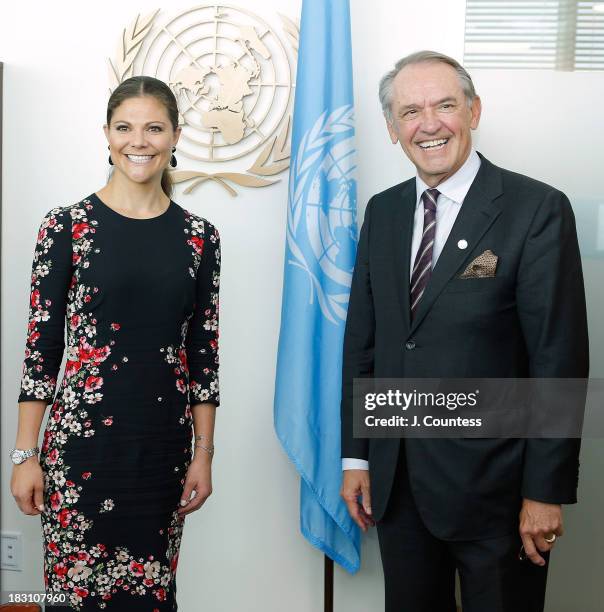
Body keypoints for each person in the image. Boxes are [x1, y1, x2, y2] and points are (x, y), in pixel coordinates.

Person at [340, 51, 588, 612]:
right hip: (398, 487)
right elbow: (366, 343)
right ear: (392, 128)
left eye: (444, 105)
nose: (428, 124)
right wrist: (356, 458)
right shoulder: (383, 211)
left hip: (499, 496)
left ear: (473, 111)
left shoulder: (536, 209)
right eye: (410, 111)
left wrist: (545, 491)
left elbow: (558, 358)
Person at [10, 76, 220, 611]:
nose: (139, 141)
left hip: (161, 454)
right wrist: (24, 454)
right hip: (80, 452)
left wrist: (204, 454)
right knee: (69, 598)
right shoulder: (66, 227)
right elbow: (41, 351)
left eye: (154, 127)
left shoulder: (200, 236)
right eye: (125, 128)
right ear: (106, 135)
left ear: (175, 136)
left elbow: (203, 353)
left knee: (151, 598)